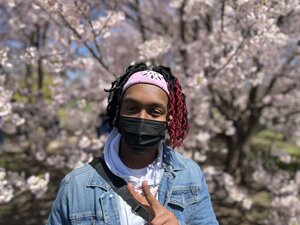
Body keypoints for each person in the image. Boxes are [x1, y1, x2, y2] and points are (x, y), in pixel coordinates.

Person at [46, 62, 219, 225]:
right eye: (132, 108)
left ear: (168, 120)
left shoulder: (190, 176)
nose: (142, 118)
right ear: (118, 112)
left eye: (154, 111)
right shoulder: (75, 186)